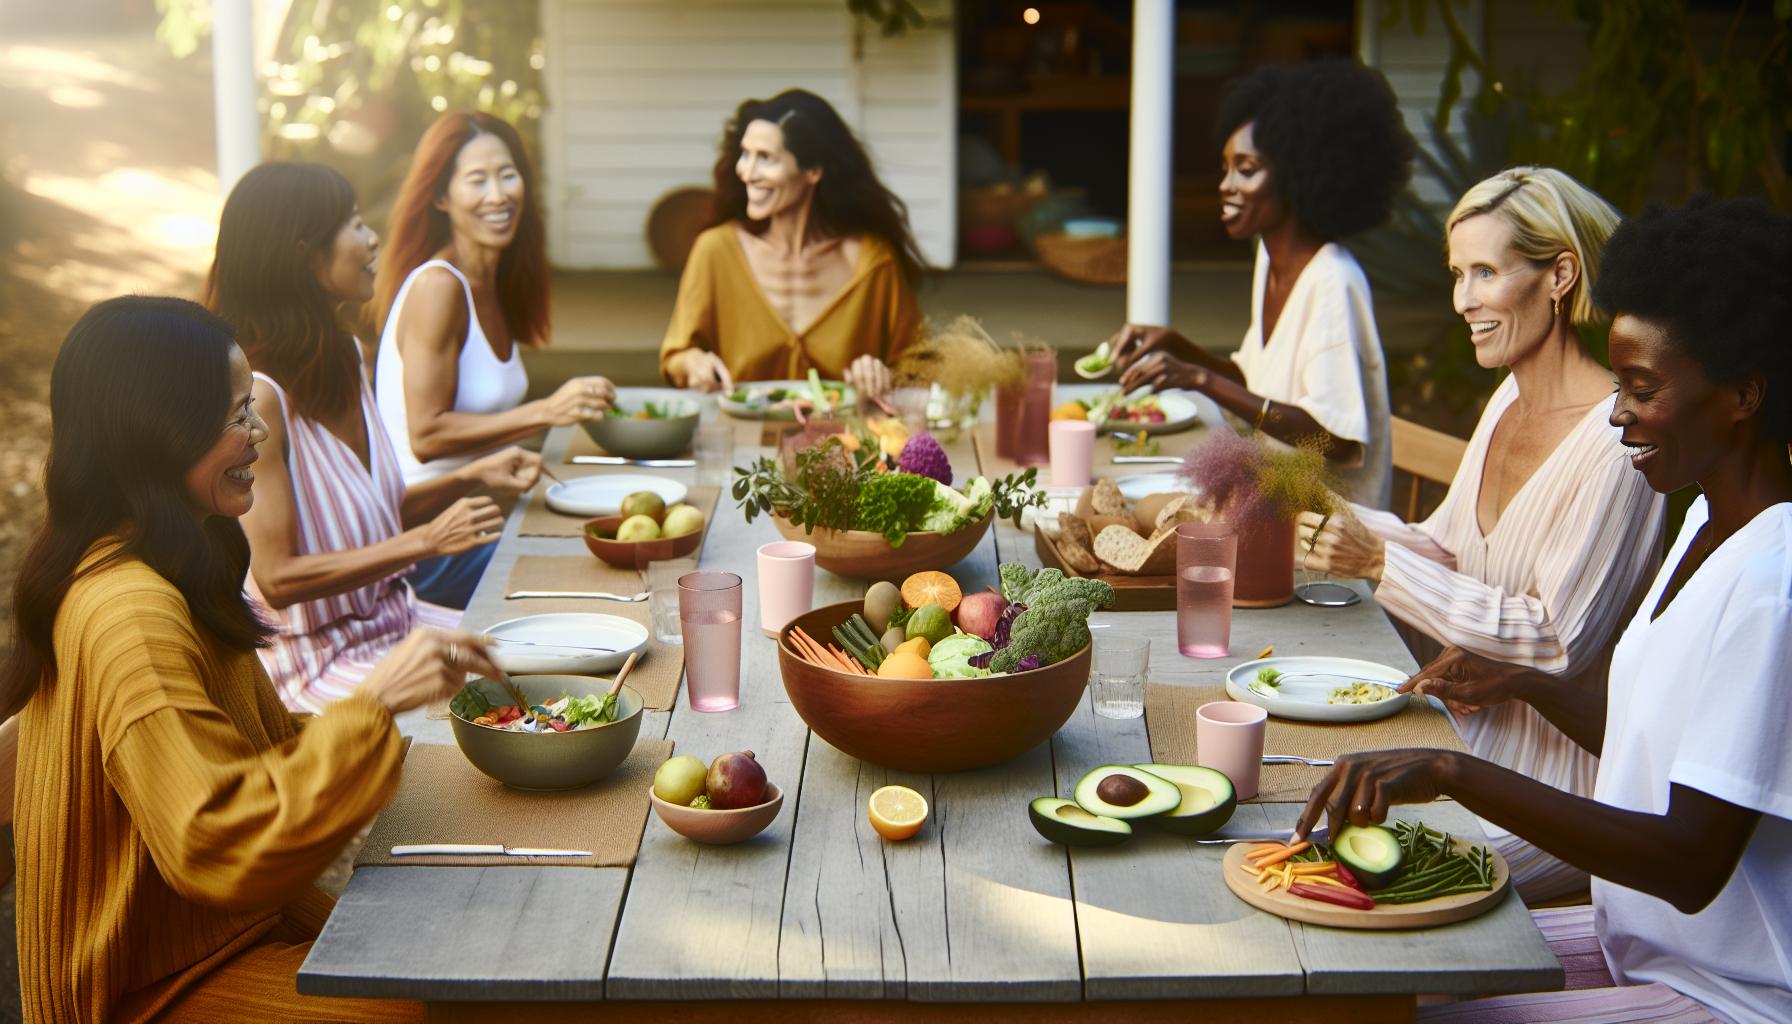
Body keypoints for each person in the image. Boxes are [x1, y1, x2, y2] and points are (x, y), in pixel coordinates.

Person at [1298, 196, 1792, 1024]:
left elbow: (1689, 862)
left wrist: (1455, 770)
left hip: (1725, 991)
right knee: (1366, 964)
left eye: (1640, 388)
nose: (1618, 412)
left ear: (1743, 395)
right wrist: (1523, 683)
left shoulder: (1772, 583)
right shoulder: (1707, 516)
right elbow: (1647, 734)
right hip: (1628, 938)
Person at [4, 295, 505, 1022]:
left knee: (468, 940)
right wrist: (370, 710)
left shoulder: (171, 558)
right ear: (158, 432)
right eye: (238, 414)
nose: (261, 432)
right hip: (158, 990)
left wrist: (386, 719)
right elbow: (214, 837)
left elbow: (249, 754)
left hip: (216, 941)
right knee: (451, 999)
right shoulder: (129, 611)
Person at [1297, 168, 1665, 902]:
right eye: (1458, 274)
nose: (1463, 299)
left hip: (1561, 794)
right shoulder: (1508, 398)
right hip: (1460, 739)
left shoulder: (1618, 444)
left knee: (1351, 876)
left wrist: (1376, 562)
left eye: (1486, 272)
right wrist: (1319, 512)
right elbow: (1449, 548)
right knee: (1294, 816)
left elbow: (1555, 642)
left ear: (1559, 275)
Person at [205, 161, 542, 711]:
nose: (372, 238)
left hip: (397, 621)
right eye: (354, 225)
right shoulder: (261, 398)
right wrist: (426, 542)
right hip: (317, 665)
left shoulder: (345, 357)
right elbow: (276, 577)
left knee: (544, 660)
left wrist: (472, 476)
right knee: (507, 708)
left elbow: (367, 516)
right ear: (302, 252)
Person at [1110, 60, 1412, 508]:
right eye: (1226, 168)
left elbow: (1336, 440)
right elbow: (1255, 389)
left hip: (1328, 546)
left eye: (1246, 169)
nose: (1225, 185)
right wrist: (1175, 347)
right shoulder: (1269, 259)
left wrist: (1197, 377)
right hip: (1269, 509)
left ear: (1296, 175)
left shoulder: (1332, 281)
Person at [373, 111, 612, 606]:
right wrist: (548, 410)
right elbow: (426, 435)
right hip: (427, 542)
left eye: (507, 174)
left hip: (480, 517)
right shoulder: (439, 287)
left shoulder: (492, 282)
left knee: (618, 538)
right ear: (441, 197)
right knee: (597, 573)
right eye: (476, 180)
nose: (498, 194)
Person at [659, 88, 924, 398]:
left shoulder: (872, 261)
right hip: (740, 439)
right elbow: (675, 357)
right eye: (745, 154)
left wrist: (880, 374)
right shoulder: (715, 250)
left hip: (840, 442)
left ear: (812, 171)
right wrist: (692, 363)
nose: (747, 172)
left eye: (766, 158)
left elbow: (918, 370)